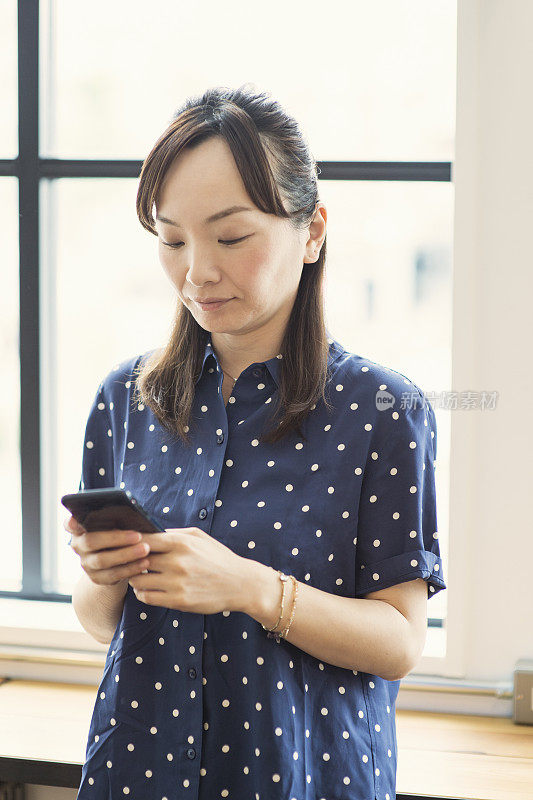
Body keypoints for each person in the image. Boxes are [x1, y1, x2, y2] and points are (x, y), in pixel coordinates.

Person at [67, 83, 446, 800]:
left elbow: (399, 643)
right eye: (171, 240)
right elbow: (98, 622)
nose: (196, 271)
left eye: (231, 236)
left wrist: (252, 590)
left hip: (307, 775)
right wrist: (104, 572)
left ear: (311, 232)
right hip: (140, 773)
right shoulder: (125, 398)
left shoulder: (381, 409)